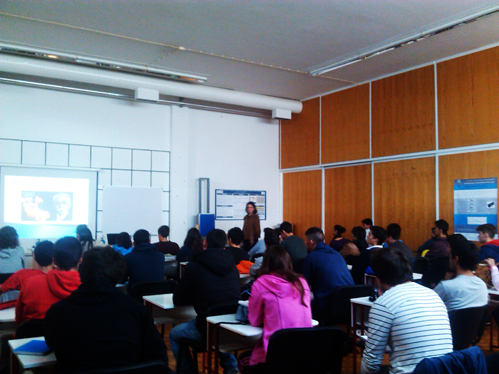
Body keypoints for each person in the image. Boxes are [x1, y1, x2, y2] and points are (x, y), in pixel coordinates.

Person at [44, 247, 169, 373]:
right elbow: (158, 357)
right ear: (119, 274)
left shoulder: (57, 312)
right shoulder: (136, 310)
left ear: (81, 271)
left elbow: (53, 345)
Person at [361, 247, 453, 374]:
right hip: (445, 369)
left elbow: (371, 363)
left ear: (378, 277)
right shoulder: (432, 294)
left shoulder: (384, 304)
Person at [170, 229, 240, 374]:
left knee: (174, 334)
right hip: (231, 328)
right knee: (219, 327)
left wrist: (196, 296)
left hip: (205, 329)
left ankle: (187, 371)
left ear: (205, 243)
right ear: (225, 244)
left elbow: (178, 299)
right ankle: (231, 366)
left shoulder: (194, 266)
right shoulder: (233, 266)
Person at [244, 245, 312, 372]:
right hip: (305, 351)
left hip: (277, 353)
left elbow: (255, 320)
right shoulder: (302, 282)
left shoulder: (260, 283)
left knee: (244, 361)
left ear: (265, 263)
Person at [16, 236, 82, 324]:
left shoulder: (30, 283)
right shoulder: (89, 288)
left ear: (53, 260)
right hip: (73, 337)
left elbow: (19, 319)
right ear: (80, 259)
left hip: (32, 336)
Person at [302, 227, 354, 321]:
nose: (304, 243)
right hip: (348, 303)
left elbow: (304, 285)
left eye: (305, 240)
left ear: (310, 242)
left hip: (328, 304)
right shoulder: (336, 254)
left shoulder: (311, 258)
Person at [433, 238, 488, 311]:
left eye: (449, 255)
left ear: (455, 259)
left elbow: (426, 305)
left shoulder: (446, 286)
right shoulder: (482, 285)